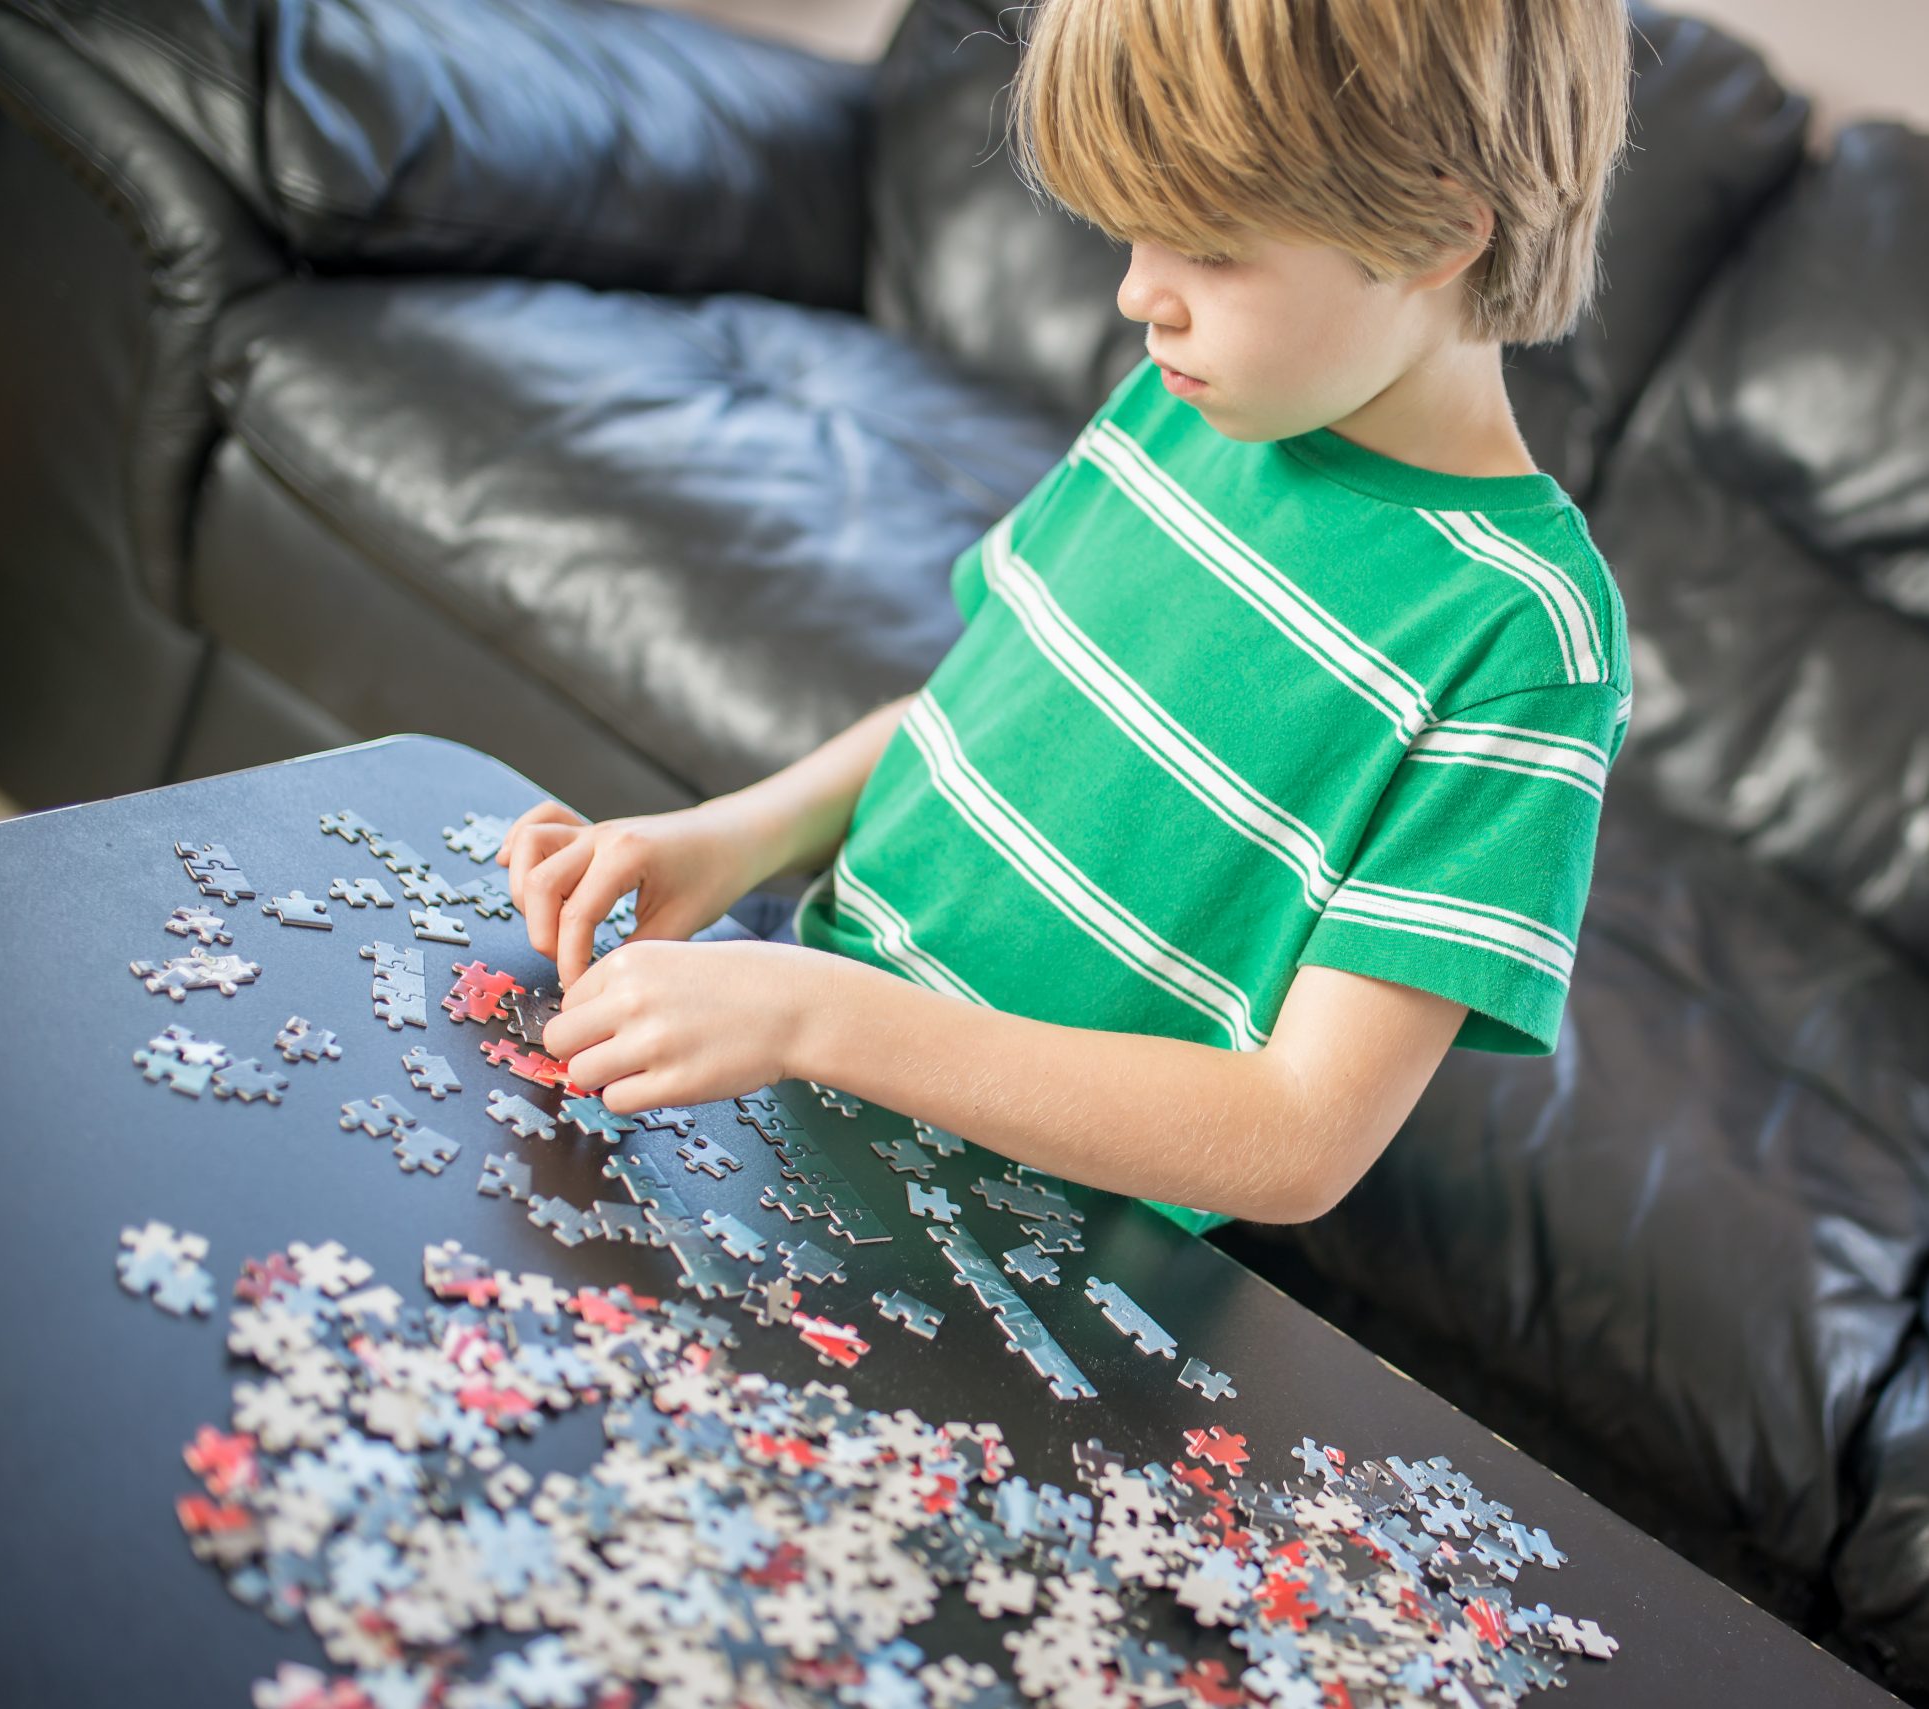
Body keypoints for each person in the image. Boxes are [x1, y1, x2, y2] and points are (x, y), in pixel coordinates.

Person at [503, 0, 1638, 1237]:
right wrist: (727, 839)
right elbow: (968, 716)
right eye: (1135, 234)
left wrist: (810, 1010)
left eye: (1204, 246)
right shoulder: (1180, 407)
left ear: (1436, 230)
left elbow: (1299, 1136)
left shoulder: (1525, 636)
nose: (1138, 294)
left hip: (1015, 1240)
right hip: (793, 1045)